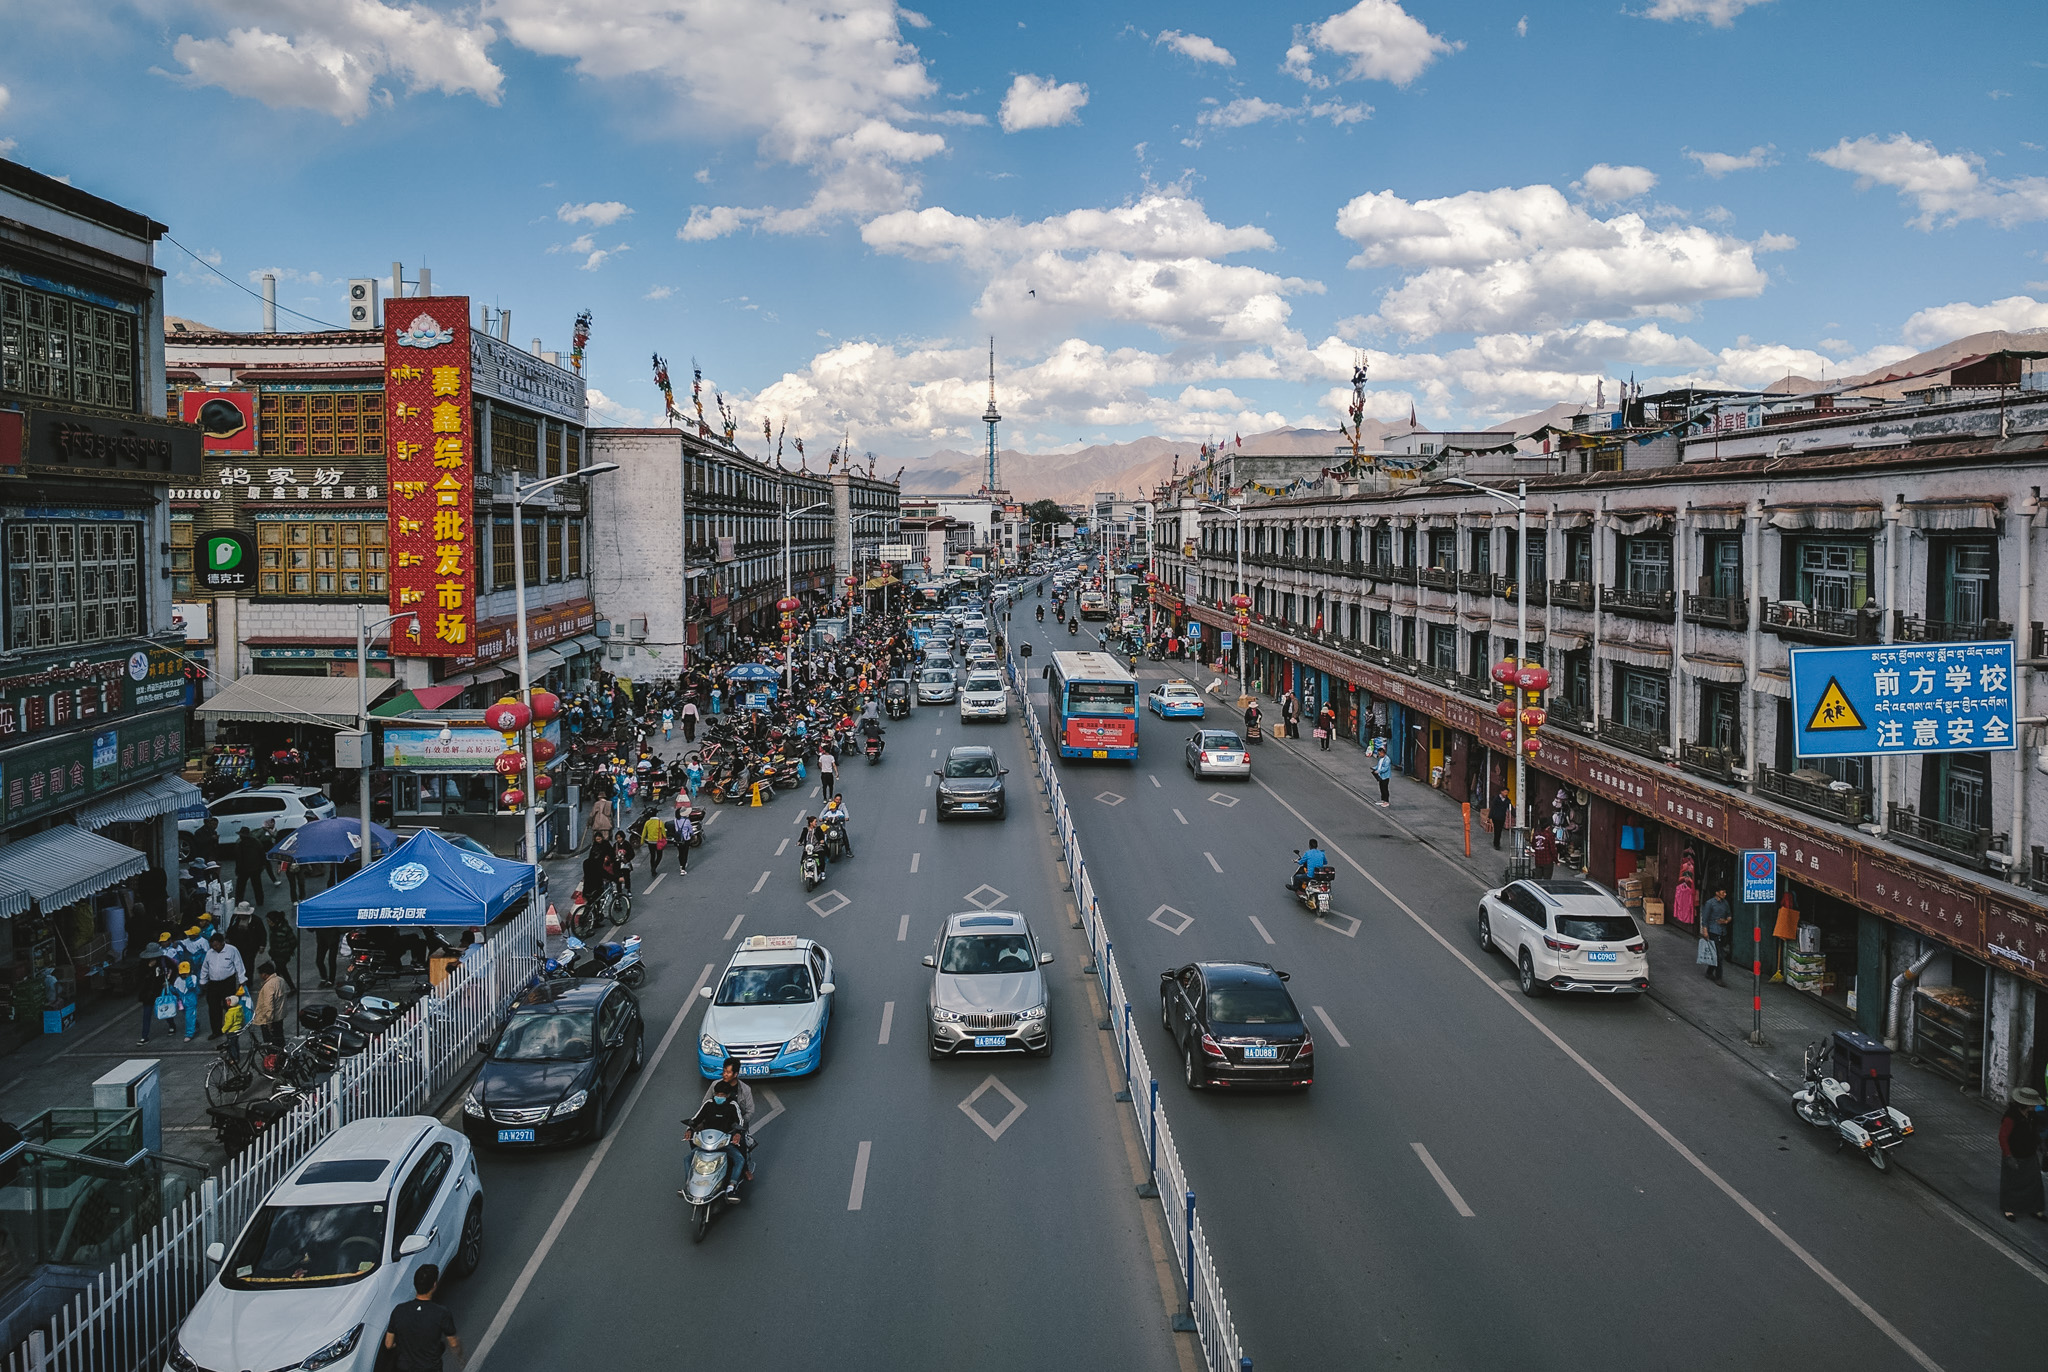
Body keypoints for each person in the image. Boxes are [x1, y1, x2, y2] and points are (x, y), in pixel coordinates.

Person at [680, 1067, 754, 1198]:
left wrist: (737, 1134)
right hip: (707, 1142)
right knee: (687, 1159)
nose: (719, 1097)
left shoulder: (732, 1105)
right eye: (717, 1095)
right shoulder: (708, 1104)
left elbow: (740, 1121)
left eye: (722, 1095)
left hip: (724, 1142)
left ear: (727, 1096)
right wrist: (689, 1129)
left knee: (740, 1159)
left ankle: (731, 1185)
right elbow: (696, 1118)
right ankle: (688, 1184)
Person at [383, 1264, 464, 1372]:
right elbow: (454, 1343)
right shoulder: (441, 1313)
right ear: (434, 1285)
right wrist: (461, 1359)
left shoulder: (399, 1311)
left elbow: (388, 1344)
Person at [1999, 1089, 2046, 1222]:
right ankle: (2009, 1208)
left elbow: (2034, 1131)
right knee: (2011, 1183)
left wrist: (2040, 1144)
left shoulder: (2031, 1115)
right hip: (2015, 1154)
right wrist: (2008, 1155)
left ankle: (2035, 1208)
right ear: (2025, 1104)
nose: (2034, 1106)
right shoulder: (2011, 1117)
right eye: (2032, 1104)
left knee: (2034, 1182)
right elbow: (2003, 1137)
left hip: (2029, 1154)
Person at [200, 930, 247, 1041]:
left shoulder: (232, 950)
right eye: (212, 946)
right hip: (213, 984)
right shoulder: (209, 953)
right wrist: (203, 981)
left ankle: (233, 1027)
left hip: (227, 982)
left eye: (216, 945)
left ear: (222, 943)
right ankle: (216, 1031)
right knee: (213, 1007)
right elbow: (205, 968)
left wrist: (242, 979)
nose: (214, 948)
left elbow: (239, 965)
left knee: (229, 1006)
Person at [136, 940, 171, 1045]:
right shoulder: (143, 964)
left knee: (164, 1011)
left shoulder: (163, 960)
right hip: (147, 993)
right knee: (146, 1015)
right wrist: (149, 968)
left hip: (159, 991)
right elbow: (139, 977)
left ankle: (172, 1025)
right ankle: (144, 1036)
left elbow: (173, 969)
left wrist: (168, 981)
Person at [250, 961, 286, 1051]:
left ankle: (273, 1061)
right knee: (280, 1039)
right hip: (279, 1016)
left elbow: (268, 1005)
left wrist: (268, 1022)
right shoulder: (280, 980)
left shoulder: (268, 986)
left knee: (270, 1044)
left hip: (270, 1019)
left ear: (265, 974)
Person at [1700, 884, 1732, 984]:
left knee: (1717, 953)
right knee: (1719, 955)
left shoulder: (1725, 903)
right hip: (1713, 931)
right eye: (1723, 892)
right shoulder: (1710, 903)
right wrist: (1705, 932)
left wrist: (1726, 921)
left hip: (1722, 931)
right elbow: (1705, 919)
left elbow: (1729, 915)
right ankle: (1719, 978)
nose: (1725, 894)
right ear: (1717, 893)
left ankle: (1709, 972)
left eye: (1725, 892)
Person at [232, 826, 268, 906]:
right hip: (252, 868)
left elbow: (238, 858)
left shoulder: (240, 844)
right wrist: (262, 865)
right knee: (256, 886)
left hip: (246, 869)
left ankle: (239, 901)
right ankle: (259, 901)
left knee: (242, 887)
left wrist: (237, 869)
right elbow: (262, 854)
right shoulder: (256, 842)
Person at [641, 810, 669, 877]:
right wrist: (665, 839)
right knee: (659, 856)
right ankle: (654, 867)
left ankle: (652, 869)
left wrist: (642, 841)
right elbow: (663, 833)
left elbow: (644, 832)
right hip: (658, 842)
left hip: (650, 842)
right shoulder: (660, 822)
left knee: (652, 856)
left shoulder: (647, 822)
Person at [1489, 786, 1512, 851]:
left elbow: (1510, 809)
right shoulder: (1496, 799)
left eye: (1507, 792)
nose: (1506, 793)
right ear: (1501, 792)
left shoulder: (1507, 800)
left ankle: (1497, 843)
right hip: (1495, 817)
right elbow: (1492, 808)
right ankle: (1496, 844)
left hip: (1502, 817)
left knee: (1499, 831)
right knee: (1497, 830)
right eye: (1505, 792)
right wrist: (1490, 817)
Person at [671, 807, 693, 875]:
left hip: (678, 839)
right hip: (686, 839)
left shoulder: (676, 820)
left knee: (680, 853)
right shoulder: (687, 821)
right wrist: (693, 834)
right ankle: (683, 869)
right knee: (685, 853)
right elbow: (690, 830)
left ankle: (681, 865)